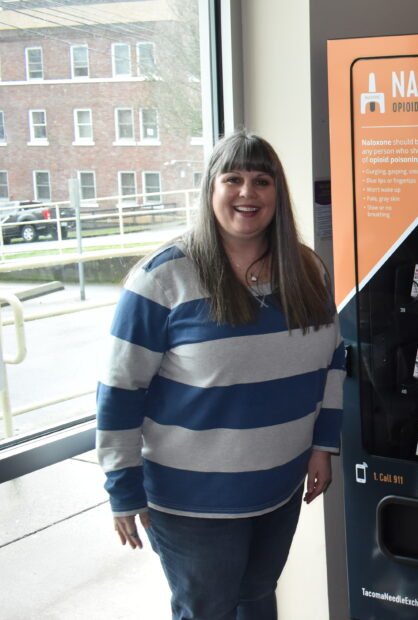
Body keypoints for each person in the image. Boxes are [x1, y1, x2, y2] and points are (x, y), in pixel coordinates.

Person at [96, 130, 345, 620]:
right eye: (233, 179)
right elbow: (121, 390)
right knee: (208, 610)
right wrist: (122, 489)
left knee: (257, 601)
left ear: (278, 193)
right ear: (211, 189)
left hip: (280, 488)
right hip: (195, 502)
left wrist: (323, 446)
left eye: (261, 180)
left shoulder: (307, 271)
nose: (247, 193)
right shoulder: (162, 278)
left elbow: (332, 362)